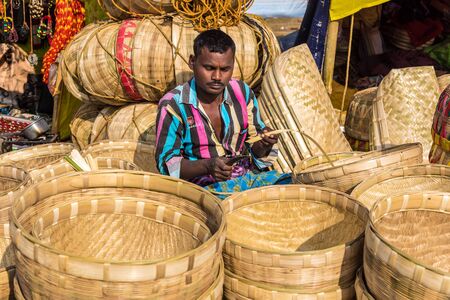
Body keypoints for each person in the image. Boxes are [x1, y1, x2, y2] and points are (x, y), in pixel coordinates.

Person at [155, 29, 290, 198]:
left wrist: (264, 144)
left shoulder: (242, 93)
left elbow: (256, 149)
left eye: (225, 69)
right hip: (202, 189)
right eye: (209, 67)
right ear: (192, 61)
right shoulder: (174, 104)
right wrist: (207, 166)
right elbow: (167, 165)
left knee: (291, 184)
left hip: (246, 180)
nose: (217, 77)